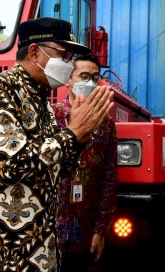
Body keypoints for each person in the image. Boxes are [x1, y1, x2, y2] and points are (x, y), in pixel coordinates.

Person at [0, 17, 114, 272]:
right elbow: (10, 163)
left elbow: (58, 170)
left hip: (37, 251)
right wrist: (72, 135)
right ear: (34, 52)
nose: (68, 63)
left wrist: (82, 137)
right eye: (64, 54)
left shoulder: (43, 105)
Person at [52, 54, 118, 272]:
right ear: (68, 80)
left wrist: (101, 230)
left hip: (87, 228)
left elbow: (109, 179)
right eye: (84, 76)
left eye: (95, 77)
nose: (90, 82)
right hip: (50, 230)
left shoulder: (105, 124)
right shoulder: (52, 117)